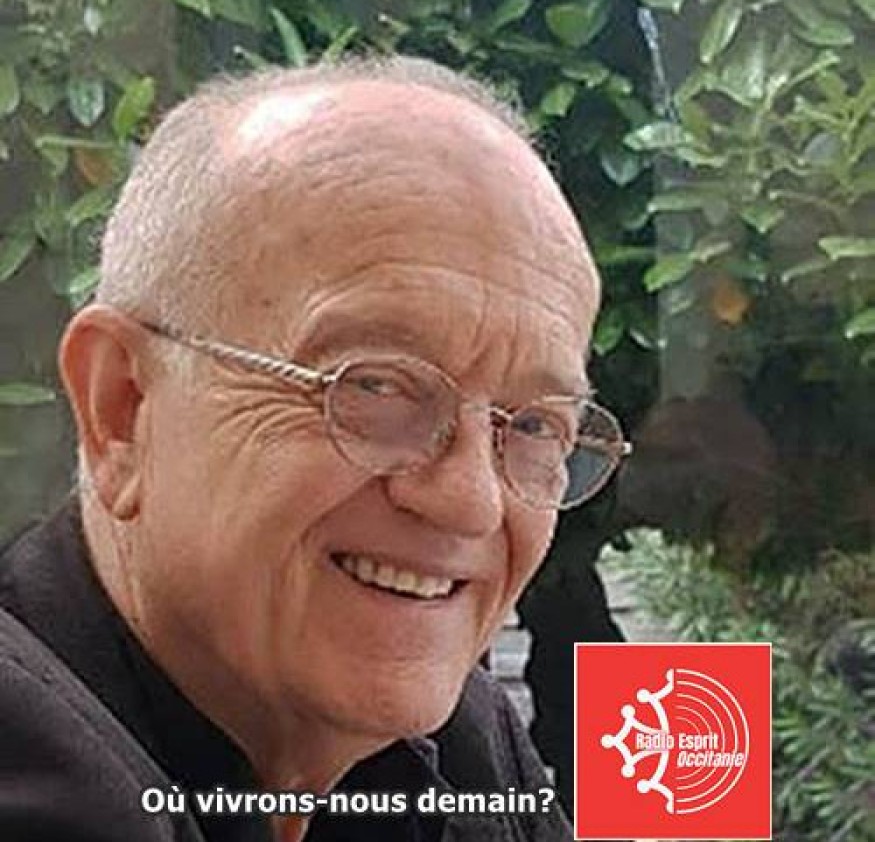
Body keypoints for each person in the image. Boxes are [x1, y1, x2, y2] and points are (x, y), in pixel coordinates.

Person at [0, 56, 628, 841]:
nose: (471, 501)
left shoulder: (460, 750)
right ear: (122, 408)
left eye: (534, 426)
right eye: (375, 387)